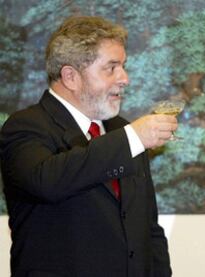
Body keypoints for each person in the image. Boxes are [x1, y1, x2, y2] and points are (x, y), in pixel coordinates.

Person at [0, 16, 175, 276]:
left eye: (123, 66)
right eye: (111, 67)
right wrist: (132, 139)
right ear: (70, 76)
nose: (124, 78)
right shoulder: (25, 126)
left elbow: (148, 229)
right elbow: (47, 181)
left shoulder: (120, 130)